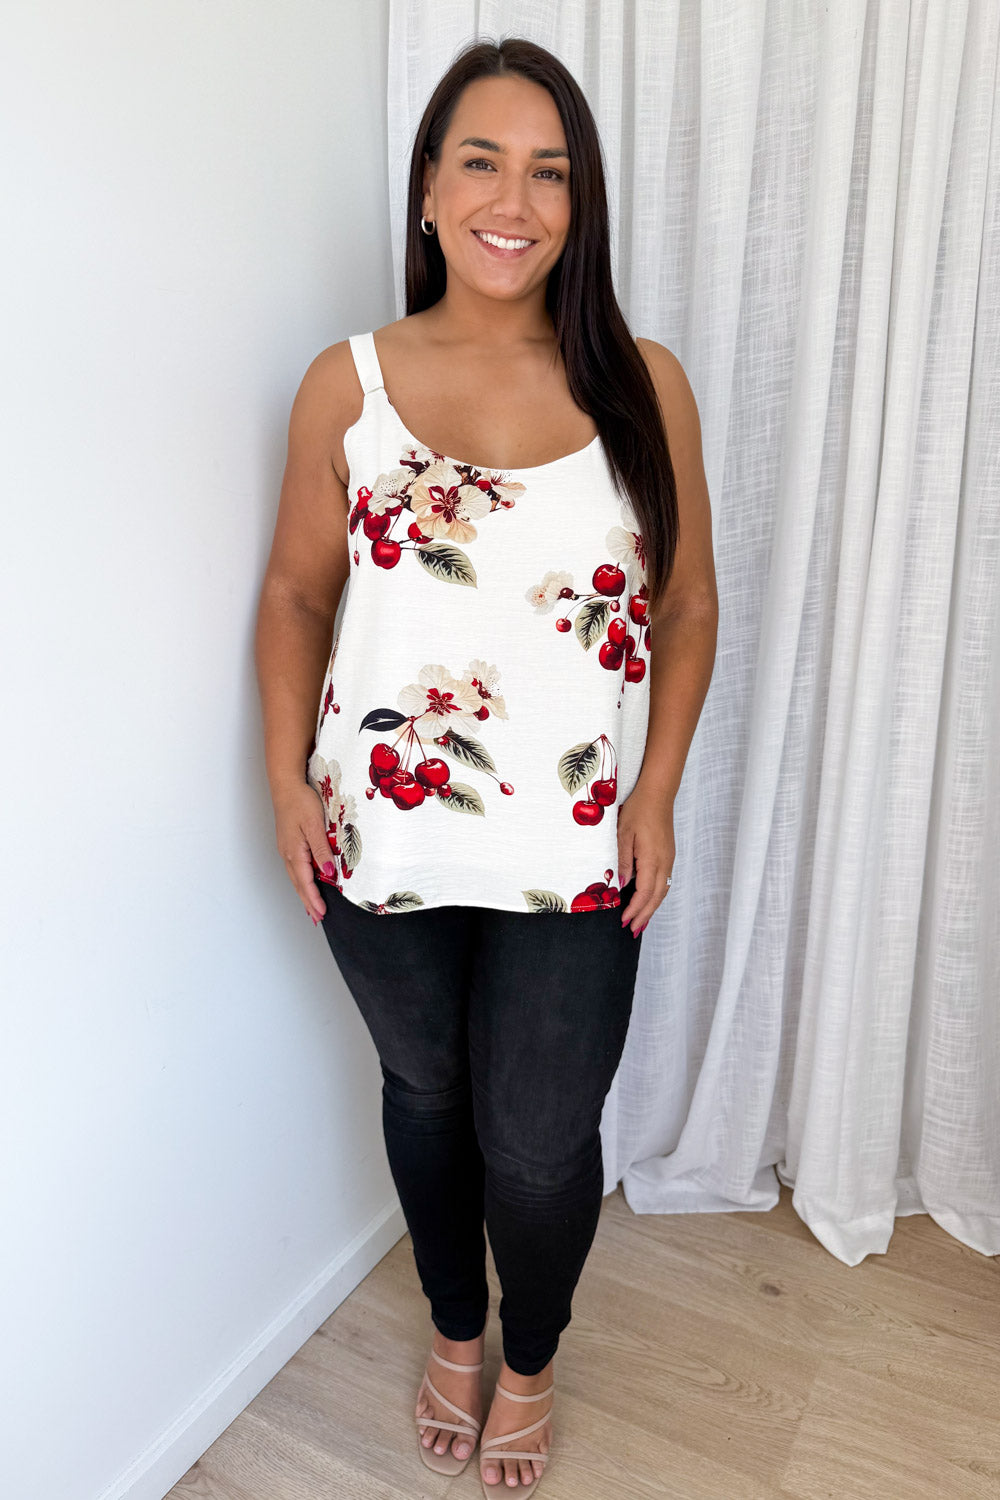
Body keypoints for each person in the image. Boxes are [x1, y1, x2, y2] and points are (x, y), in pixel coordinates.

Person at [254, 35, 717, 1497]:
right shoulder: (349, 385)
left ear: (580, 204)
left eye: (549, 172)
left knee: (538, 1139)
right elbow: (296, 596)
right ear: (429, 190)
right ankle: (459, 1330)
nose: (513, 201)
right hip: (379, 835)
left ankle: (532, 1357)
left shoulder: (642, 384)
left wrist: (655, 794)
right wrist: (285, 783)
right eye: (481, 161)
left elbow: (688, 606)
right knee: (427, 1094)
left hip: (575, 845)